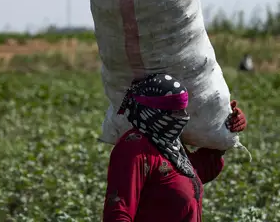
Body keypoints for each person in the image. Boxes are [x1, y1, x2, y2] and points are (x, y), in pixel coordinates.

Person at [103, 73, 247, 221]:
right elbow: (118, 213)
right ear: (155, 112)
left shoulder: (171, 146)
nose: (183, 116)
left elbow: (195, 175)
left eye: (183, 110)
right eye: (175, 111)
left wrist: (224, 125)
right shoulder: (134, 149)